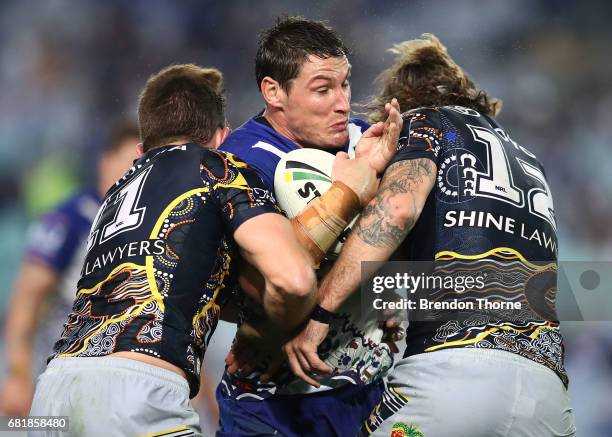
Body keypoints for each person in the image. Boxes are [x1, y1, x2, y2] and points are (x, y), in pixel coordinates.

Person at [29, 62, 395, 437]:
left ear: (141, 150)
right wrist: (267, 333)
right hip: (137, 391)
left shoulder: (112, 195)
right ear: (222, 137)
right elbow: (294, 280)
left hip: (52, 390)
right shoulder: (221, 169)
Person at [285, 34, 576, 436]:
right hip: (547, 392)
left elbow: (399, 210)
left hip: (456, 376)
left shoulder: (426, 122)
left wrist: (321, 312)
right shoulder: (530, 163)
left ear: (400, 105)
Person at [217, 16, 400, 437]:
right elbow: (255, 284)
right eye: (323, 89)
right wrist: (263, 326)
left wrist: (388, 283)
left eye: (346, 84)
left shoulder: (364, 141)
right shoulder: (241, 164)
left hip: (363, 389)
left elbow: (406, 237)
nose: (343, 104)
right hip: (268, 402)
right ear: (273, 92)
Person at [0, 120, 139, 416]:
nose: (135, 176)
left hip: (120, 386)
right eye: (130, 164)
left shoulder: (148, 228)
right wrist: (18, 375)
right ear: (105, 161)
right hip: (60, 374)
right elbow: (27, 296)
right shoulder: (72, 218)